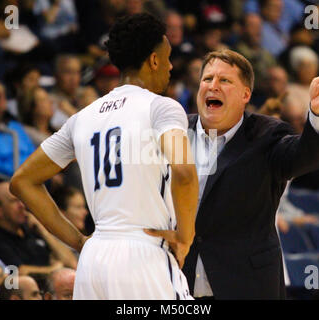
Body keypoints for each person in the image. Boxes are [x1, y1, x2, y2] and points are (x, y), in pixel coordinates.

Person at [10, 13, 199, 300]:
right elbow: (184, 174)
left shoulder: (82, 118)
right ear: (154, 60)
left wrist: (77, 240)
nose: (172, 67)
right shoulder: (162, 107)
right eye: (168, 57)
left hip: (93, 259)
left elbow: (22, 181)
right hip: (144, 252)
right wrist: (186, 237)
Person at [181, 49, 319, 299]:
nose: (213, 86)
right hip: (182, 282)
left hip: (247, 284)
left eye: (224, 80)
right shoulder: (176, 131)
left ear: (245, 94)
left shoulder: (266, 135)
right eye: (207, 79)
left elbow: (307, 157)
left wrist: (317, 112)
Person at [0, 181, 77, 278]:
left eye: (21, 199)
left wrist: (43, 231)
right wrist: (54, 269)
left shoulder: (32, 230)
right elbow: (19, 273)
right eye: (14, 201)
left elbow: (71, 263)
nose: (22, 205)